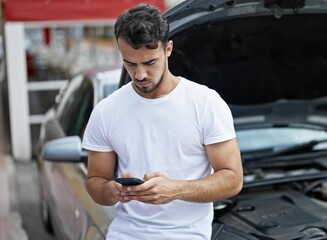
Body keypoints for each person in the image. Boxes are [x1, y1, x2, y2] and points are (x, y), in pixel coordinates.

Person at [82, 4, 243, 240]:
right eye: (130, 63)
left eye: (149, 63)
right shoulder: (107, 110)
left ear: (168, 49)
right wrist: (112, 190)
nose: (139, 75)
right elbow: (95, 182)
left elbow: (233, 179)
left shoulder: (205, 103)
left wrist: (177, 189)